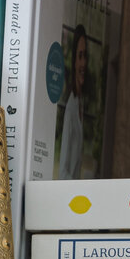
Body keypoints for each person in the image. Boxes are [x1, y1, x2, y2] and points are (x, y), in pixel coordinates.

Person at [57, 25, 88, 177]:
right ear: (74, 62)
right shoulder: (70, 108)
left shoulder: (80, 103)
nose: (83, 63)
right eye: (80, 56)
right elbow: (63, 170)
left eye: (85, 56)